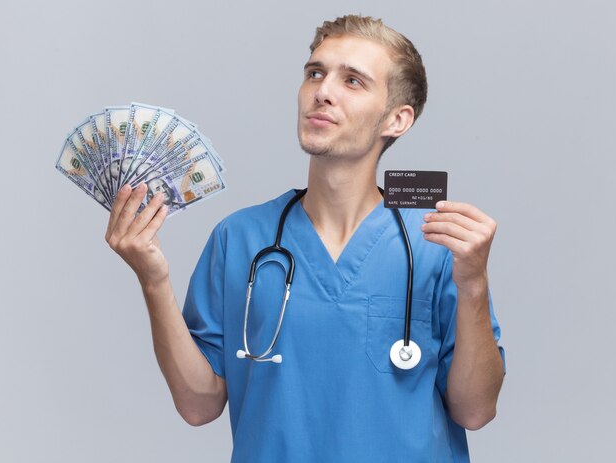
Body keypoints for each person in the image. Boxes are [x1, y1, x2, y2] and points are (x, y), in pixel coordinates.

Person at [105, 15, 505, 462]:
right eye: (315, 73)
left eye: (353, 81)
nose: (323, 91)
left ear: (397, 119)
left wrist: (474, 286)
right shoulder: (239, 239)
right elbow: (199, 405)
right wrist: (153, 280)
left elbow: (475, 410)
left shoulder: (438, 244)